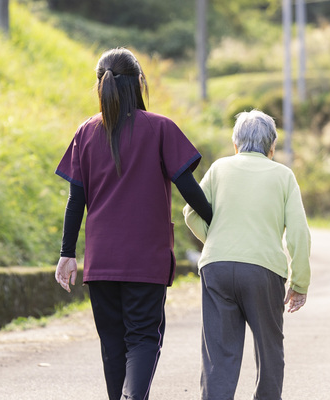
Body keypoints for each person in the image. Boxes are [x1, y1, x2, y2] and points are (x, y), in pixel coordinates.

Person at [54, 48, 213, 400]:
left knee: (112, 344)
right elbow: (189, 189)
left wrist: (67, 253)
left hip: (102, 262)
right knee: (143, 338)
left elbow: (75, 199)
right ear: (139, 82)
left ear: (101, 87)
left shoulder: (86, 132)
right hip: (146, 260)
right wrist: (217, 223)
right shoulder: (160, 128)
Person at [183, 109, 311, 400]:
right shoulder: (283, 175)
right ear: (272, 147)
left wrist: (215, 240)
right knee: (269, 351)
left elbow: (191, 212)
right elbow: (299, 234)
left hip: (216, 267)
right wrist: (299, 283)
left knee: (219, 355)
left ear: (235, 144)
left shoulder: (218, 169)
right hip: (263, 271)